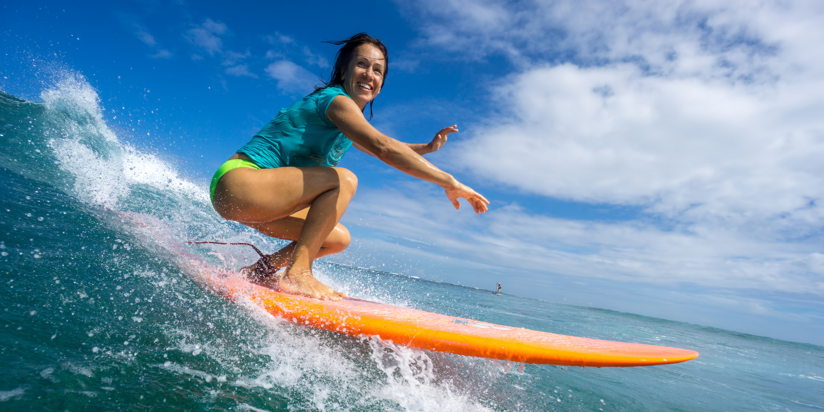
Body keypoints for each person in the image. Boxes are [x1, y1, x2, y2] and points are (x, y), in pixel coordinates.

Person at [210, 33, 489, 300]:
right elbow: (383, 147)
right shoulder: (335, 101)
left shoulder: (345, 125)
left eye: (378, 71)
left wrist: (427, 148)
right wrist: (451, 182)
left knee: (336, 238)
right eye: (362, 64)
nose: (370, 74)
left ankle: (260, 270)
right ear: (344, 71)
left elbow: (383, 145)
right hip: (239, 183)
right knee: (343, 180)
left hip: (260, 204)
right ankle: (299, 273)